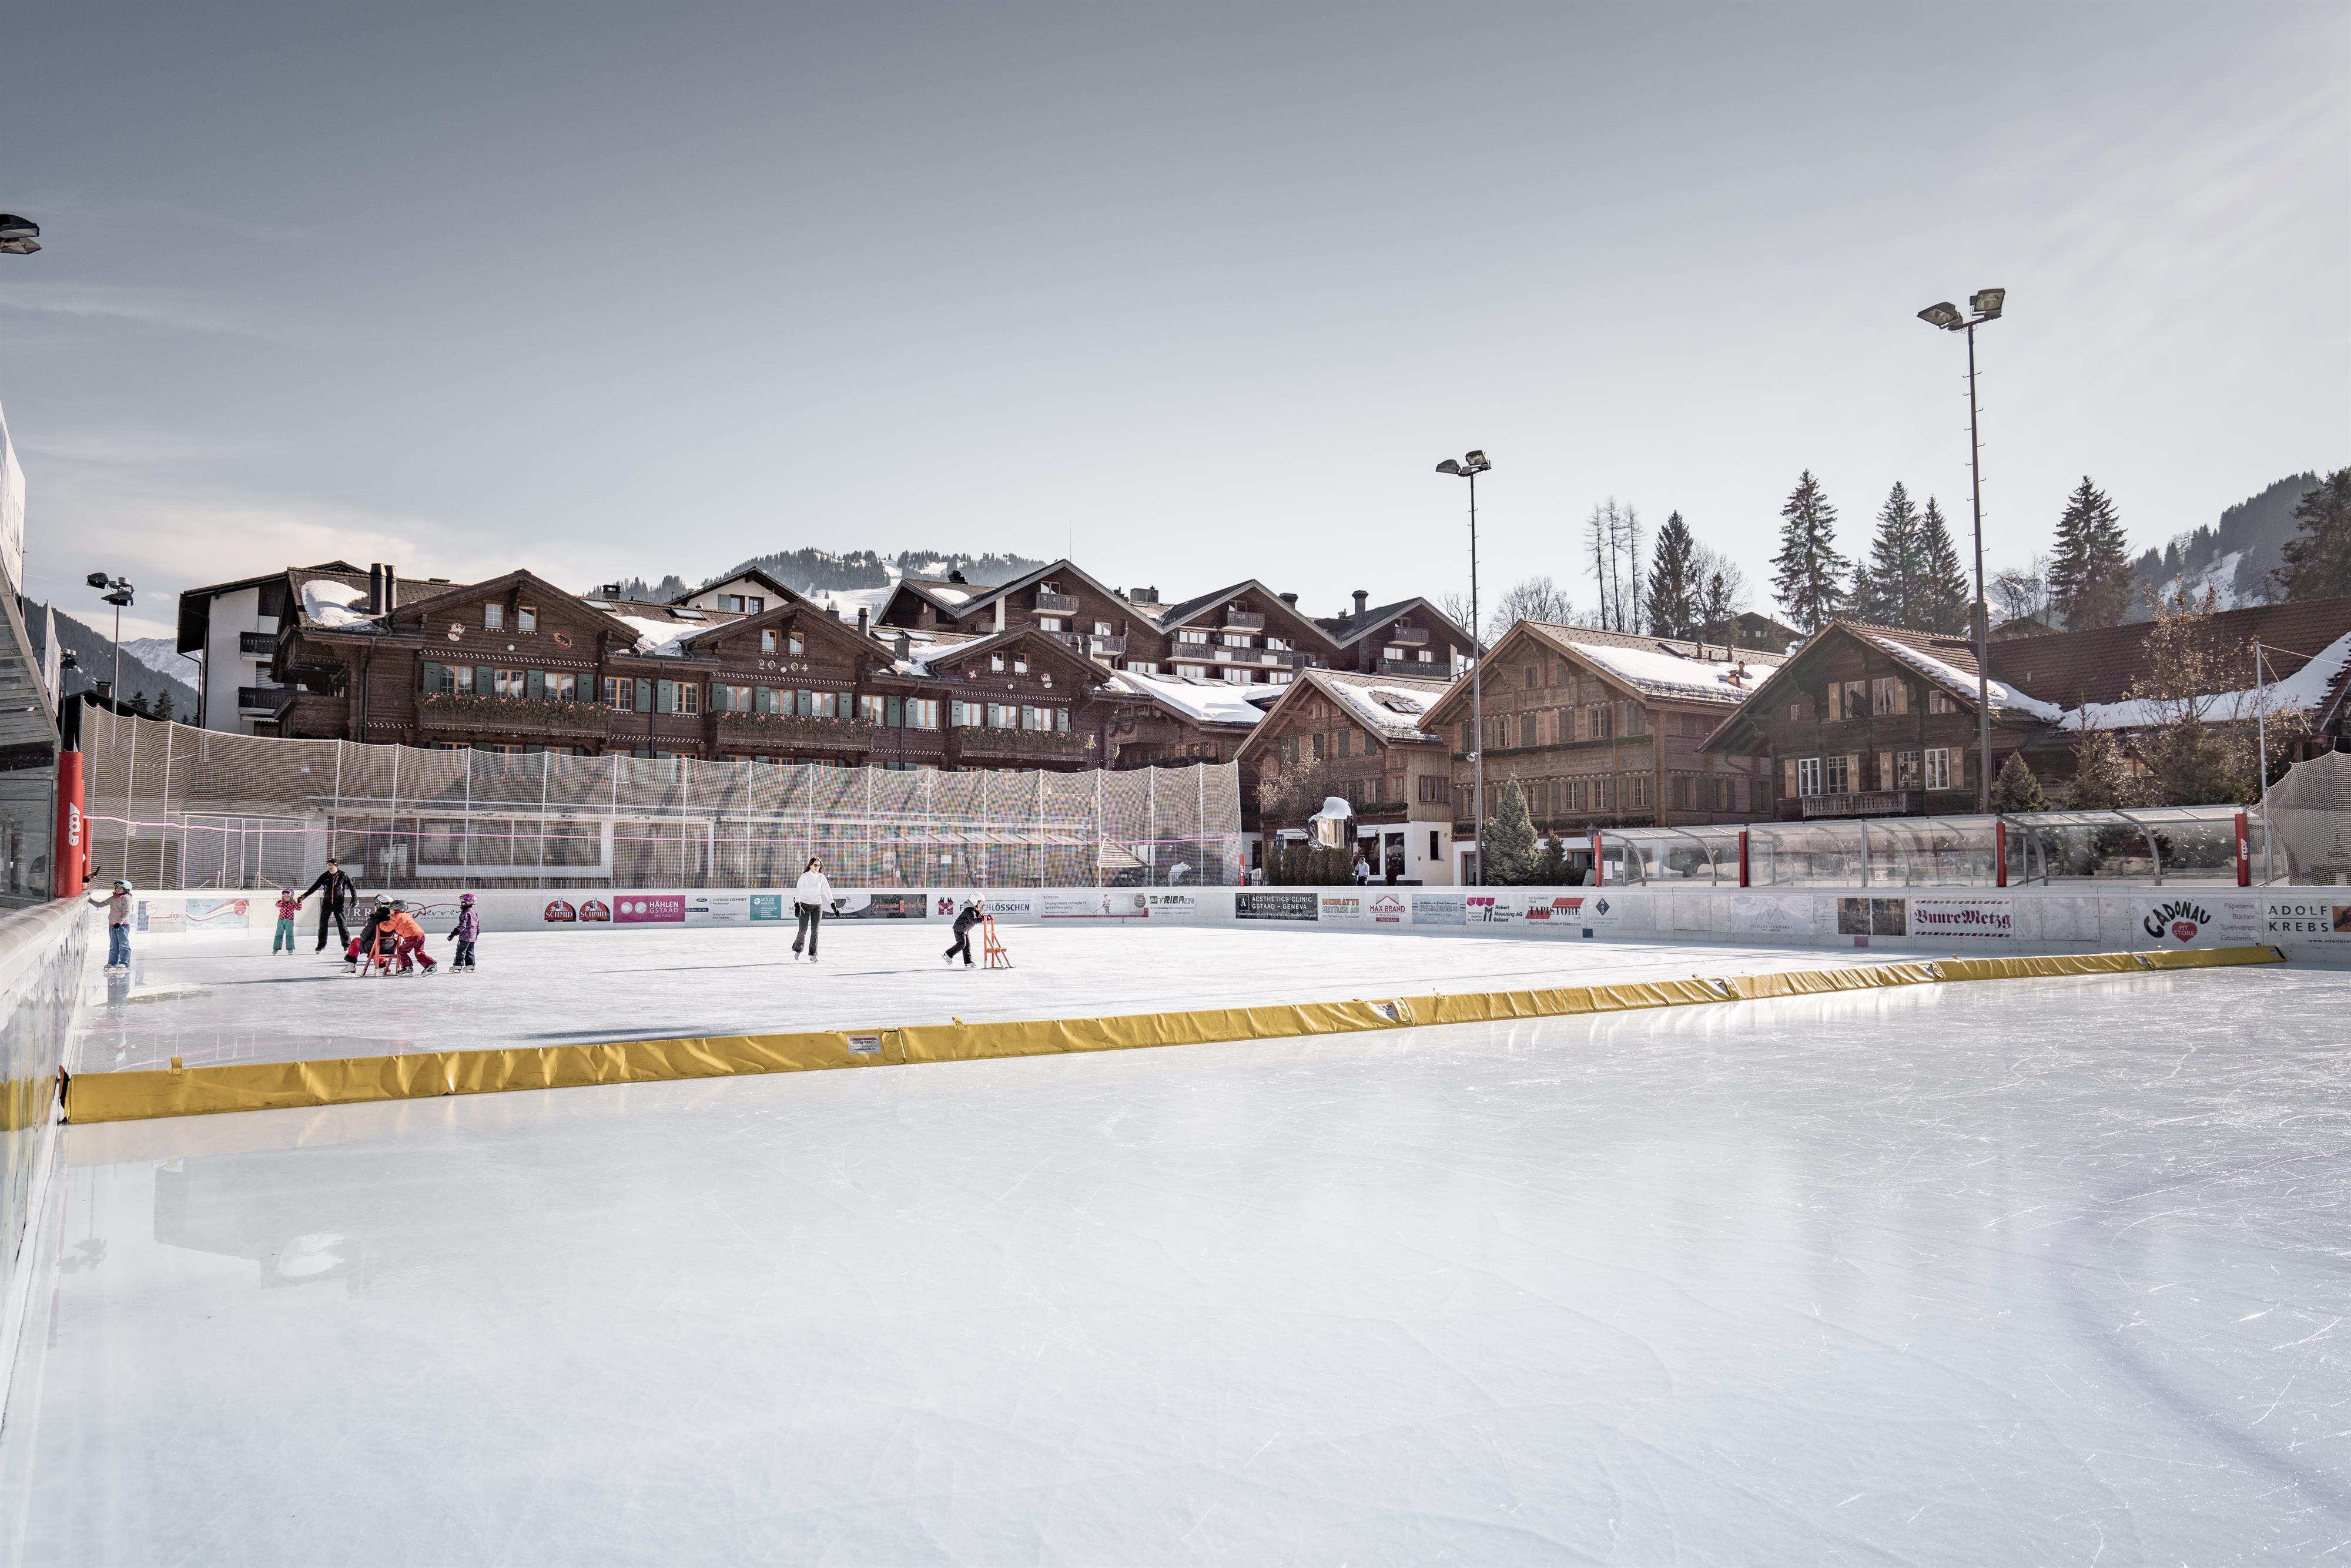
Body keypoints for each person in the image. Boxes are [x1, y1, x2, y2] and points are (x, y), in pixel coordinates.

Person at [302, 859, 357, 952]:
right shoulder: (325, 876)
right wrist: (304, 896)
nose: (329, 867)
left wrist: (354, 899)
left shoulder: (343, 875)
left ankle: (347, 945)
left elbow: (352, 887)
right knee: (323, 925)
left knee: (342, 924)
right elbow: (315, 887)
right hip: (327, 903)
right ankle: (321, 946)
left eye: (331, 865)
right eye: (328, 865)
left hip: (338, 903)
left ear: (336, 865)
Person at [790, 856, 831, 962]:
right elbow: (799, 890)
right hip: (804, 906)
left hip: (817, 906)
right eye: (815, 865)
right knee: (803, 930)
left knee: (815, 932)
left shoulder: (821, 877)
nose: (817, 867)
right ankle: (798, 949)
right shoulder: (804, 876)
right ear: (810, 865)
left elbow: (827, 891)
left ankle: (813, 954)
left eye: (819, 865)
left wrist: (833, 904)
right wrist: (797, 904)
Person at [89, 879, 133, 970]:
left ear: (126, 889)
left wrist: (120, 923)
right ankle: (112, 963)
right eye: (116, 888)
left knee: (123, 944)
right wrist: (90, 900)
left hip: (122, 925)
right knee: (114, 944)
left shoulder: (126, 898)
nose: (117, 889)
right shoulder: (112, 898)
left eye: (120, 888)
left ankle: (124, 962)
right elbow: (99, 905)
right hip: (112, 924)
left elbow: (127, 912)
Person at [385, 900, 436, 974]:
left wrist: (379, 923)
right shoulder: (406, 915)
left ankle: (407, 967)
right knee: (419, 952)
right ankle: (430, 964)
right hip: (420, 934)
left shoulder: (396, 917)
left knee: (402, 951)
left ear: (396, 910)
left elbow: (387, 929)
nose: (389, 911)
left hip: (412, 936)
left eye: (391, 909)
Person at [345, 896, 392, 974]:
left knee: (356, 941)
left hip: (373, 947)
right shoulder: (394, 920)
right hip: (390, 947)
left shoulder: (374, 920)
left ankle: (351, 965)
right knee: (380, 943)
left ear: (378, 906)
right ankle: (382, 966)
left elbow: (364, 937)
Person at [943, 898, 984, 967]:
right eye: (980, 902)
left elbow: (976, 918)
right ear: (975, 902)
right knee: (962, 944)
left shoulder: (973, 910)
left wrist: (984, 917)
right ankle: (948, 954)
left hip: (965, 929)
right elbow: (973, 920)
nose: (981, 905)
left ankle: (968, 961)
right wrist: (982, 919)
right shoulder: (969, 910)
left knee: (967, 946)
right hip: (959, 929)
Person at [446, 893, 481, 972]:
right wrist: (476, 935)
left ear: (468, 902)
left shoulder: (465, 913)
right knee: (470, 951)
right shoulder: (474, 913)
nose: (462, 903)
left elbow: (462, 926)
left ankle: (458, 965)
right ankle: (470, 965)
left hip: (465, 937)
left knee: (461, 950)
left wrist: (453, 933)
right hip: (473, 937)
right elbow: (478, 926)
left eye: (463, 901)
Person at [272, 888, 300, 954]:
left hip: (289, 921)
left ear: (291, 896)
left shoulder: (293, 903)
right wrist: (282, 901)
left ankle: (290, 948)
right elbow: (277, 905)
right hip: (281, 920)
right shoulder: (282, 903)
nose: (286, 898)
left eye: (288, 896)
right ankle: (276, 948)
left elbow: (299, 908)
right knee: (278, 934)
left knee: (289, 934)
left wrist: (300, 901)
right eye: (285, 896)